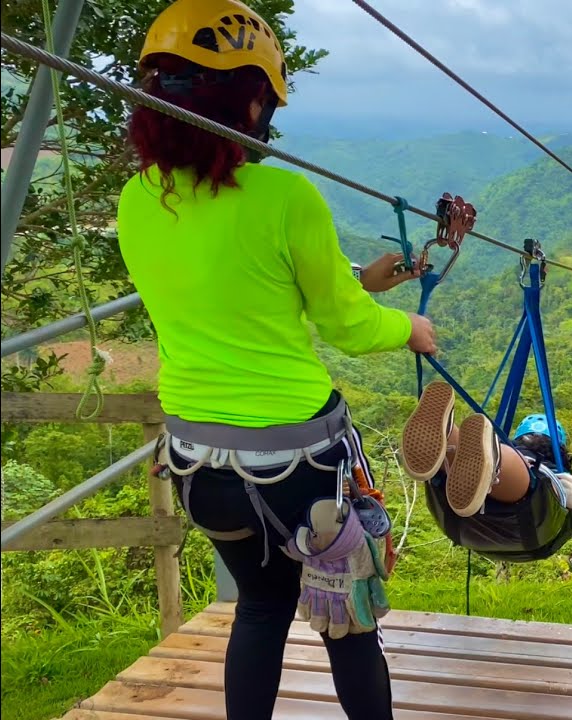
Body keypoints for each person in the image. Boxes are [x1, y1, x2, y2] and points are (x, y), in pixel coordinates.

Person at [116, 2, 435, 718]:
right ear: (252, 101)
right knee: (348, 623)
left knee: (260, 610)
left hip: (197, 461)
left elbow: (236, 280)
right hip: (300, 464)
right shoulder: (287, 193)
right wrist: (409, 328)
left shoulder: (137, 199)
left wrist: (355, 277)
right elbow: (348, 328)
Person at [400, 381, 572, 519]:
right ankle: (483, 457)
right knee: (519, 475)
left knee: (486, 459)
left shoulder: (566, 491)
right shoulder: (570, 492)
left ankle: (451, 437)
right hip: (523, 496)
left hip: (483, 492)